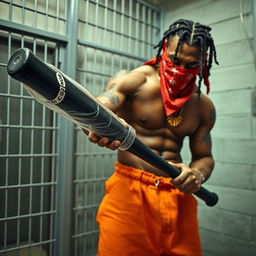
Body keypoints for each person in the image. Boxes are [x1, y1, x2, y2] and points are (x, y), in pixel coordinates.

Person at [84, 19, 218, 256]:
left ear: (202, 64)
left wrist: (196, 175)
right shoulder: (134, 80)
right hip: (130, 192)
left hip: (177, 194)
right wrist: (99, 125)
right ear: (164, 48)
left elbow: (204, 156)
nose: (179, 70)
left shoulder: (202, 106)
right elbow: (97, 108)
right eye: (175, 60)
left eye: (190, 64)